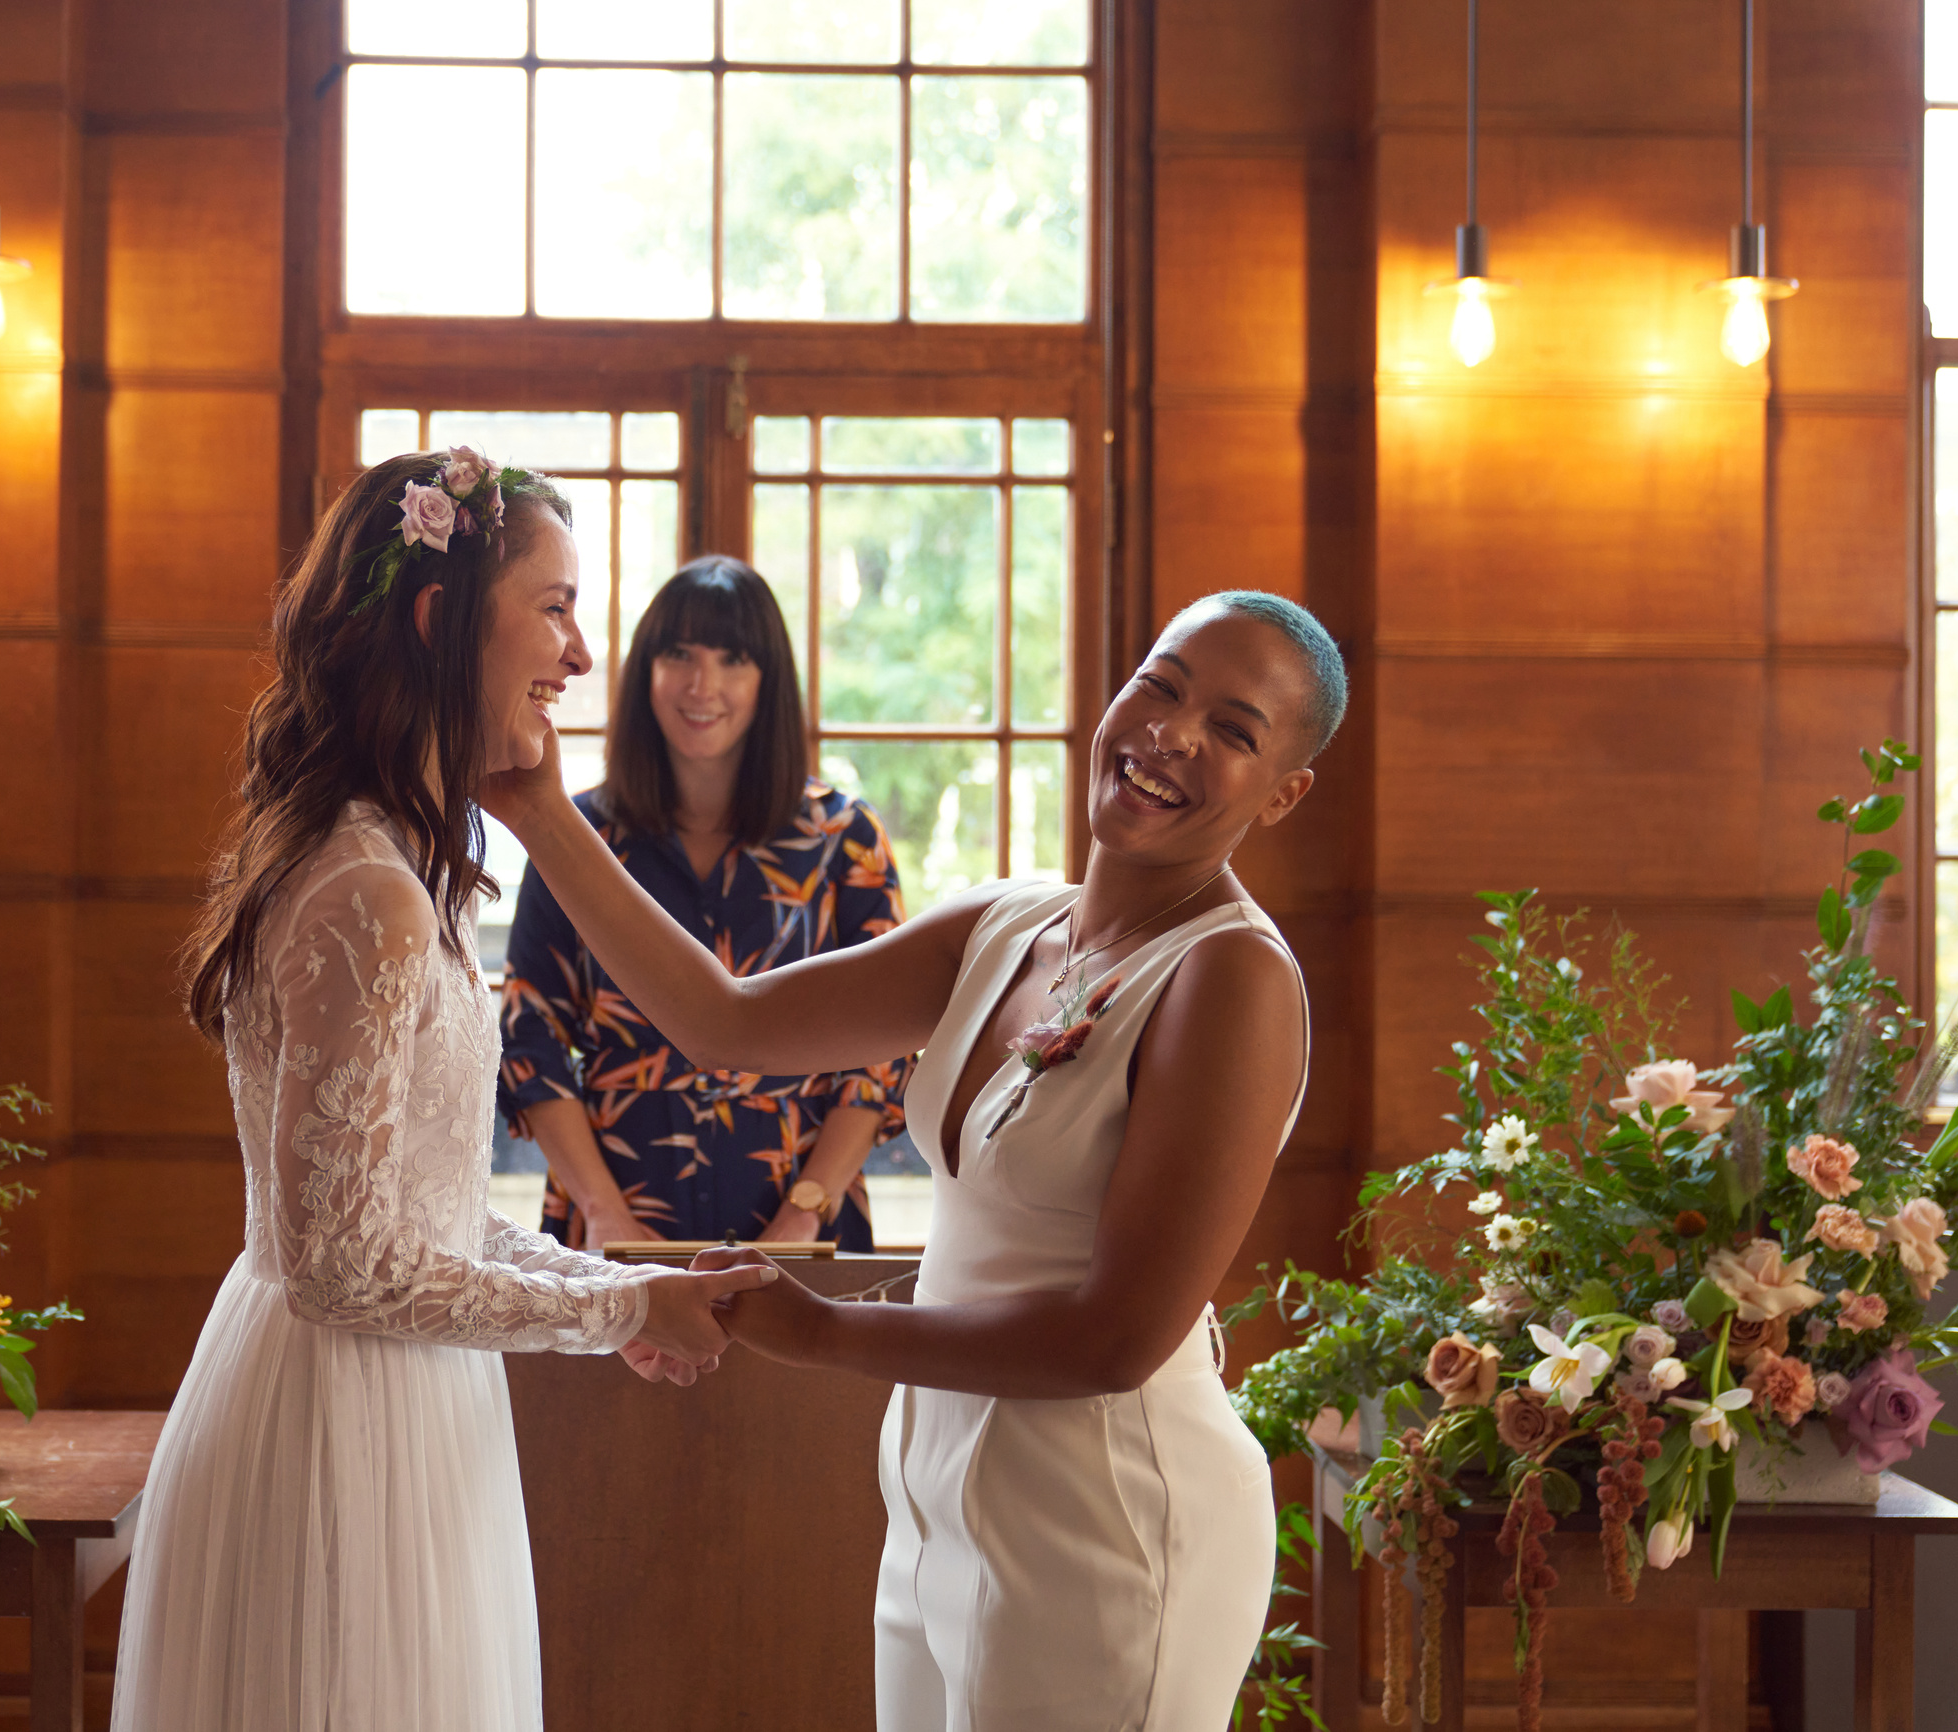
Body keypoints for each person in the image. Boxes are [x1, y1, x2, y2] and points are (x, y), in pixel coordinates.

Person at [482, 590, 1345, 1732]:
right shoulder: (1007, 922)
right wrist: (540, 811)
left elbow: (1118, 1337)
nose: (1173, 734)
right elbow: (728, 1023)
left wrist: (822, 1329)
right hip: (936, 1484)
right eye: (1163, 685)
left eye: (1234, 731)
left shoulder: (1229, 978)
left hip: (1110, 1514)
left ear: (1283, 792)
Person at [111, 450, 779, 1732]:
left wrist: (624, 1289)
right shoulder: (369, 888)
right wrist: (617, 1307)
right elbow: (346, 1268)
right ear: (439, 620)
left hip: (403, 1395)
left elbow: (424, 1212)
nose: (582, 656)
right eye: (555, 606)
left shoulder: (392, 864)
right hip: (342, 1422)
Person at [499, 556, 912, 1253]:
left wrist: (805, 1214)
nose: (702, 685)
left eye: (733, 659)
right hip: (611, 1226)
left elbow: (884, 1049)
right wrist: (603, 1213)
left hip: (801, 1221)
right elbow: (530, 1035)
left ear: (768, 680)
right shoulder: (575, 836)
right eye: (679, 654)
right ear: (646, 672)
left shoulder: (846, 839)